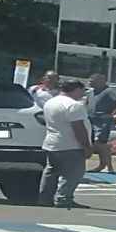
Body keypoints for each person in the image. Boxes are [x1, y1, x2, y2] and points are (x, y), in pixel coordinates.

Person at [38, 79, 94, 209]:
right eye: (82, 91)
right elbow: (78, 127)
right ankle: (63, 198)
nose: (83, 94)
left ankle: (45, 198)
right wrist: (86, 146)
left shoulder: (50, 102)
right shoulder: (74, 105)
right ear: (76, 90)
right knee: (73, 173)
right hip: (71, 144)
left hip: (52, 142)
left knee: (51, 171)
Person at [87, 73, 116, 173]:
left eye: (92, 80)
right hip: (91, 120)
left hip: (102, 121)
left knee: (101, 143)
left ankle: (108, 166)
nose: (89, 82)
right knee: (96, 144)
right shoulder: (91, 92)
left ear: (100, 80)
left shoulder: (109, 91)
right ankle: (102, 165)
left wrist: (112, 114)